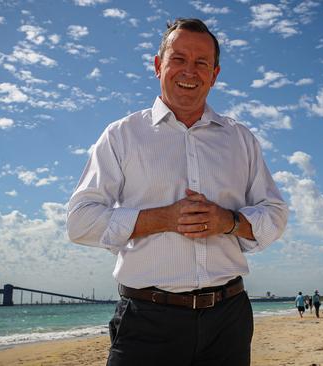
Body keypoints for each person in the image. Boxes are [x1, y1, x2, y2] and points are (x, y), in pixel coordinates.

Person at [66, 18, 288, 366]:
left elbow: (275, 213)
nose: (190, 71)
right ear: (158, 66)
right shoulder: (121, 136)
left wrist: (227, 222)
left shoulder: (240, 139)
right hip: (146, 322)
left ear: (214, 74)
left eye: (201, 62)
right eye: (178, 59)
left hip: (228, 321)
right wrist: (163, 218)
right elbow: (80, 222)